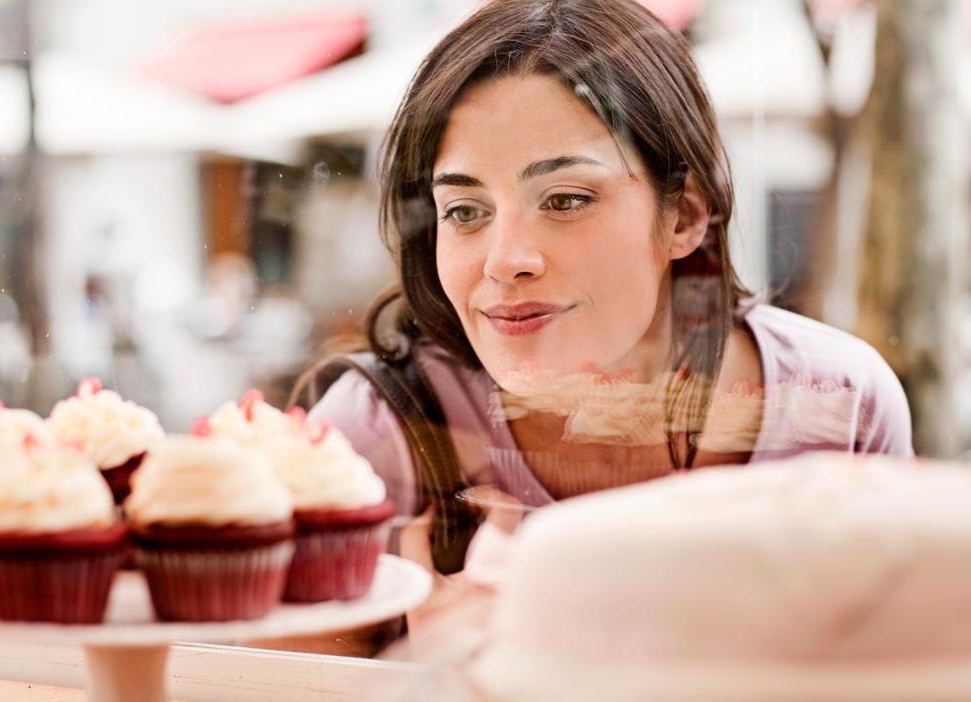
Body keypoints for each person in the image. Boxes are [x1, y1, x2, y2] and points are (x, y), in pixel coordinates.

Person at [302, 0, 913, 590]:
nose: (505, 261)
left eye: (566, 200)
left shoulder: (840, 407)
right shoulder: (373, 436)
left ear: (683, 217)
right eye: (464, 211)